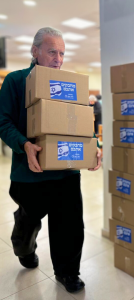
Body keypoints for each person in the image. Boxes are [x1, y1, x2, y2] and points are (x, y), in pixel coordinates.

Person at [0, 27, 101, 293]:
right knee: (27, 224)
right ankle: (24, 246)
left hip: (66, 171)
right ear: (35, 52)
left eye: (62, 53)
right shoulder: (15, 81)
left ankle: (68, 273)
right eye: (52, 51)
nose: (58, 58)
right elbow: (3, 121)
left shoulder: (70, 85)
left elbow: (80, 120)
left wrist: (94, 146)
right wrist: (24, 144)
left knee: (69, 224)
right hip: (29, 173)